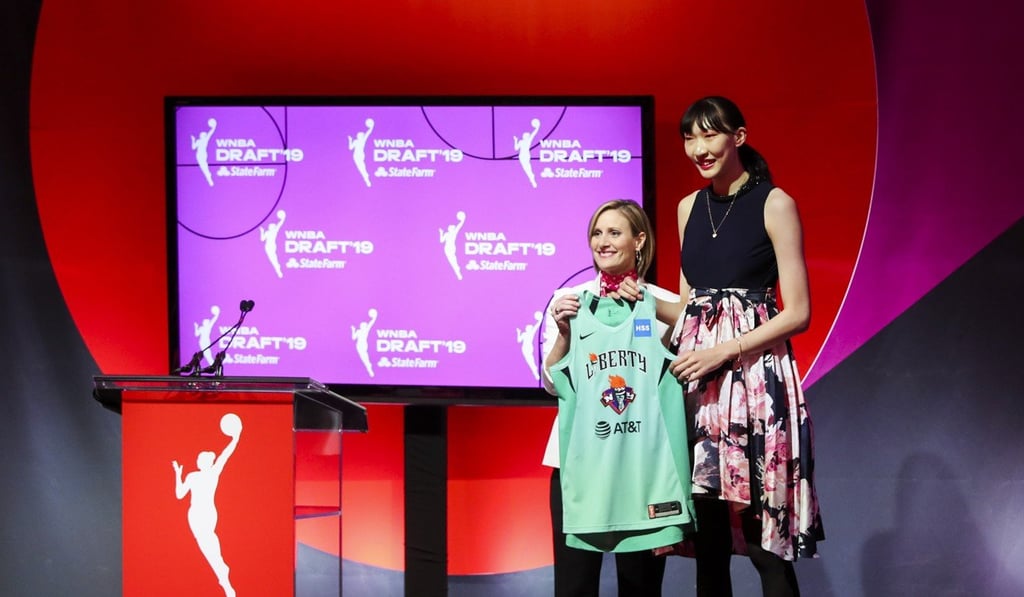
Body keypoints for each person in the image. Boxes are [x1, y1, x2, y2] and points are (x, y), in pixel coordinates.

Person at [649, 96, 825, 596]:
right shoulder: (688, 207)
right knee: (707, 543)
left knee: (761, 539)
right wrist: (627, 297)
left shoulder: (774, 202)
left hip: (754, 384)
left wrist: (726, 350)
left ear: (738, 138)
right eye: (690, 137)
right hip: (698, 386)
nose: (698, 148)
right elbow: (689, 307)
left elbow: (798, 312)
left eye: (709, 135)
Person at [541, 199, 684, 597]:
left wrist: (653, 311)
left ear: (639, 240)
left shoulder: (663, 304)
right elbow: (552, 383)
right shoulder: (571, 300)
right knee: (574, 585)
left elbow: (678, 375)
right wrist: (565, 333)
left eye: (614, 232)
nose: (603, 242)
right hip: (578, 464)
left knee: (640, 588)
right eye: (596, 233)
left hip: (641, 468)